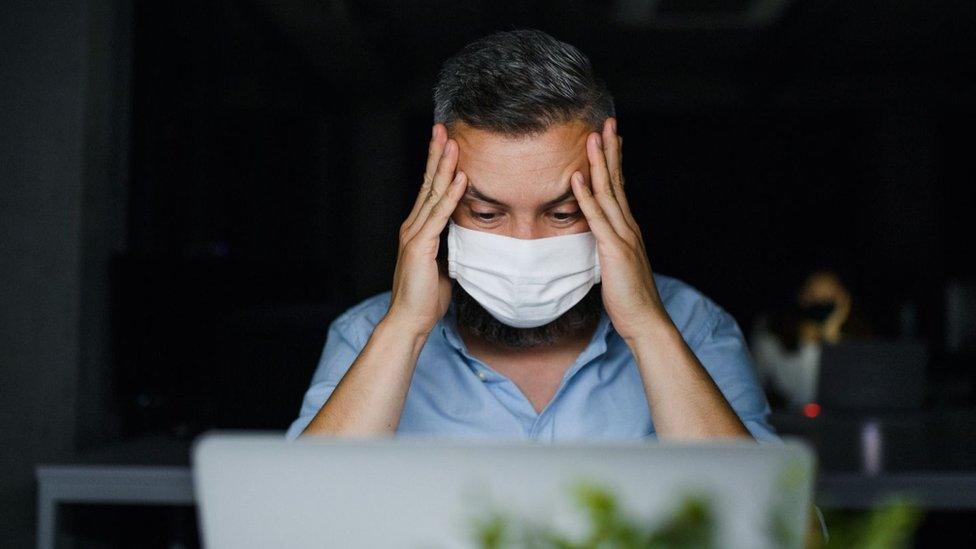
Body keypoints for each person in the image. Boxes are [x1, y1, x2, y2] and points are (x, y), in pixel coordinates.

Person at [286, 29, 775, 442]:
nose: (525, 246)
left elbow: (778, 531)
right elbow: (292, 525)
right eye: (485, 214)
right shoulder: (366, 334)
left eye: (562, 215)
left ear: (613, 191)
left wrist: (647, 327)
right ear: (437, 204)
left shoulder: (695, 326)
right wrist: (406, 328)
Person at [751, 270, 863, 411]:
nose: (821, 303)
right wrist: (809, 344)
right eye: (814, 295)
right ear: (801, 296)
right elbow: (805, 401)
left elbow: (848, 398)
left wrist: (830, 341)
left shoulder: (856, 343)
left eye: (829, 297)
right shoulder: (771, 339)